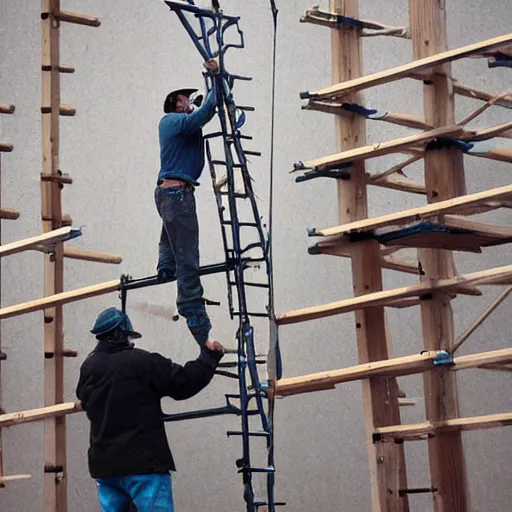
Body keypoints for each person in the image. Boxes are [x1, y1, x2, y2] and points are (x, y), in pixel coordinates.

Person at [76, 307, 225, 512]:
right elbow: (184, 383)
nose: (130, 342)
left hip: (105, 469)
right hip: (143, 465)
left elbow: (84, 398)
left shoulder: (89, 367)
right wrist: (209, 356)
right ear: (119, 335)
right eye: (128, 337)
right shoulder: (142, 362)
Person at [155, 58, 220, 351]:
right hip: (176, 195)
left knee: (172, 243)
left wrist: (214, 89)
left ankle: (165, 269)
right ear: (176, 104)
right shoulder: (171, 122)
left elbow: (203, 114)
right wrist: (216, 79)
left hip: (174, 195)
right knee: (188, 261)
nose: (188, 103)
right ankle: (200, 330)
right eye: (185, 100)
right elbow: (202, 115)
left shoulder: (184, 128)